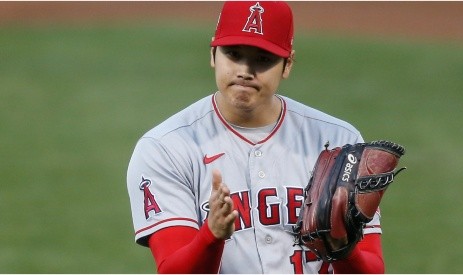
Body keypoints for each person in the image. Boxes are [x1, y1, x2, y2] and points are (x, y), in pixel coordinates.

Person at [127, 1, 385, 273]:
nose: (244, 71)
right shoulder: (166, 147)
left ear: (287, 65)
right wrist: (211, 236)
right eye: (234, 54)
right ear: (214, 54)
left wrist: (342, 246)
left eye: (263, 59)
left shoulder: (341, 142)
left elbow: (372, 270)